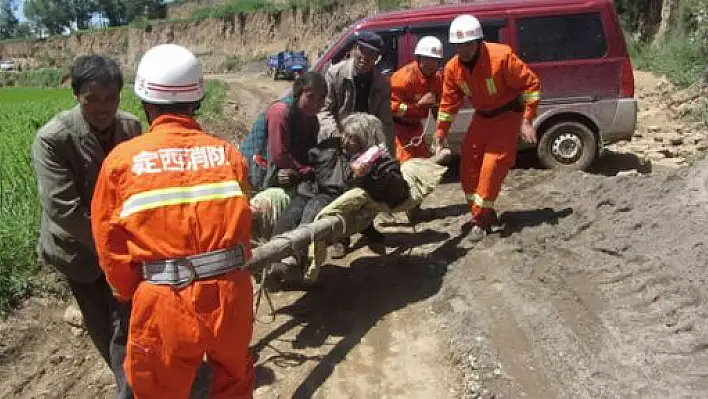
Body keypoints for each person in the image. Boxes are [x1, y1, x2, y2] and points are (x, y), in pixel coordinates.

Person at [91, 44, 254, 398]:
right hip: (232, 292)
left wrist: (134, 290)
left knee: (159, 390)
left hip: (165, 297)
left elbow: (110, 243)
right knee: (234, 381)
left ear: (145, 102)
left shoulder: (122, 161)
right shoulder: (227, 153)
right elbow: (244, 223)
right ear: (197, 100)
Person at [30, 55, 140, 399]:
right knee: (99, 322)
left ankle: (129, 389)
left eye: (111, 98)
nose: (103, 107)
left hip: (123, 248)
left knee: (127, 322)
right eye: (93, 99)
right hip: (78, 250)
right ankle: (124, 379)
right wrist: (109, 248)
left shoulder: (132, 128)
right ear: (77, 95)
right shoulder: (53, 138)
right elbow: (63, 208)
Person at [434, 14, 541, 240]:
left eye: (467, 45)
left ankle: (481, 222)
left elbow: (531, 85)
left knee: (491, 167)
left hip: (507, 116)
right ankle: (483, 212)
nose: (463, 51)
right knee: (468, 165)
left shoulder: (501, 57)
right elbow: (448, 103)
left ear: (478, 41)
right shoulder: (453, 69)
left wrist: (527, 119)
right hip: (482, 118)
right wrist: (441, 131)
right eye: (458, 46)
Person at [269, 113, 409, 285]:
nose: (345, 141)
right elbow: (310, 167)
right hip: (310, 191)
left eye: (353, 138)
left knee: (313, 209)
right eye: (345, 135)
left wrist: (367, 176)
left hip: (334, 199)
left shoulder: (377, 162)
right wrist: (295, 175)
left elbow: (398, 191)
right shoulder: (331, 148)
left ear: (365, 143)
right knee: (292, 212)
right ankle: (272, 258)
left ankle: (296, 260)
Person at [320, 30, 394, 255]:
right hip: (339, 138)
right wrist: (337, 137)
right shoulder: (335, 74)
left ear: (377, 58)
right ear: (353, 50)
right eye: (362, 50)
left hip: (365, 141)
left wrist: (388, 151)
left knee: (367, 185)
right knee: (341, 187)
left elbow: (385, 120)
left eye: (371, 54)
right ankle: (340, 236)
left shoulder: (381, 82)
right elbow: (325, 110)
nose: (365, 57)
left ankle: (366, 226)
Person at [240, 71, 327, 192]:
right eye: (310, 97)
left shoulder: (312, 120)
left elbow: (310, 152)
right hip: (257, 169)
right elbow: (279, 155)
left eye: (321, 97)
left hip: (285, 169)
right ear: (299, 94)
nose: (316, 103)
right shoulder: (280, 112)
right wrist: (305, 171)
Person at [389, 35, 444, 163]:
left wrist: (440, 134)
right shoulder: (403, 78)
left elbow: (440, 107)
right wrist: (418, 106)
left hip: (416, 128)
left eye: (435, 60)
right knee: (406, 166)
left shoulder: (437, 79)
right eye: (427, 59)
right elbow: (391, 107)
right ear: (418, 58)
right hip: (399, 130)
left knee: (424, 165)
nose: (431, 64)